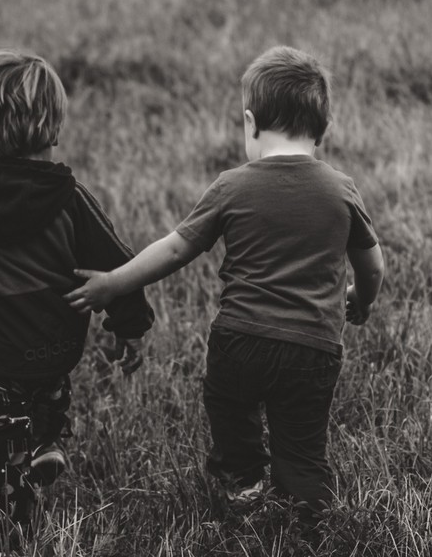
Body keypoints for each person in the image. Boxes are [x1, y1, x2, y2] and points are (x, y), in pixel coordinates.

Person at [65, 45, 385, 524]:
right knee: (301, 443)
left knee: (229, 408)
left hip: (240, 342)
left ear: (251, 122)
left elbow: (175, 249)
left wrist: (113, 282)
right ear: (325, 129)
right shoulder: (341, 189)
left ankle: (243, 482)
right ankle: (308, 507)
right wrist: (359, 300)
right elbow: (373, 265)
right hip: (313, 349)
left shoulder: (232, 185)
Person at [0, 49, 153, 539]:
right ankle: (48, 439)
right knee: (48, 390)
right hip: (55, 344)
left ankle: (15, 513)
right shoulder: (69, 198)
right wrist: (131, 327)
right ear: (52, 127)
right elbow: (120, 264)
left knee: (2, 436)